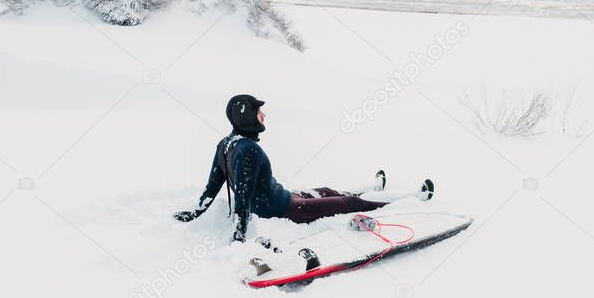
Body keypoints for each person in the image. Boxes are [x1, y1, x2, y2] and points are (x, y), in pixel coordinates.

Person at [173, 94, 433, 243]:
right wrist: (240, 235)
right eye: (259, 111)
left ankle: (372, 189)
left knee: (327, 190)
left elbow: (211, 187)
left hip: (285, 196)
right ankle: (407, 200)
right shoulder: (248, 150)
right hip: (285, 208)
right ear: (247, 117)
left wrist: (193, 213)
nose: (263, 116)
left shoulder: (225, 144)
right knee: (347, 203)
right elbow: (241, 195)